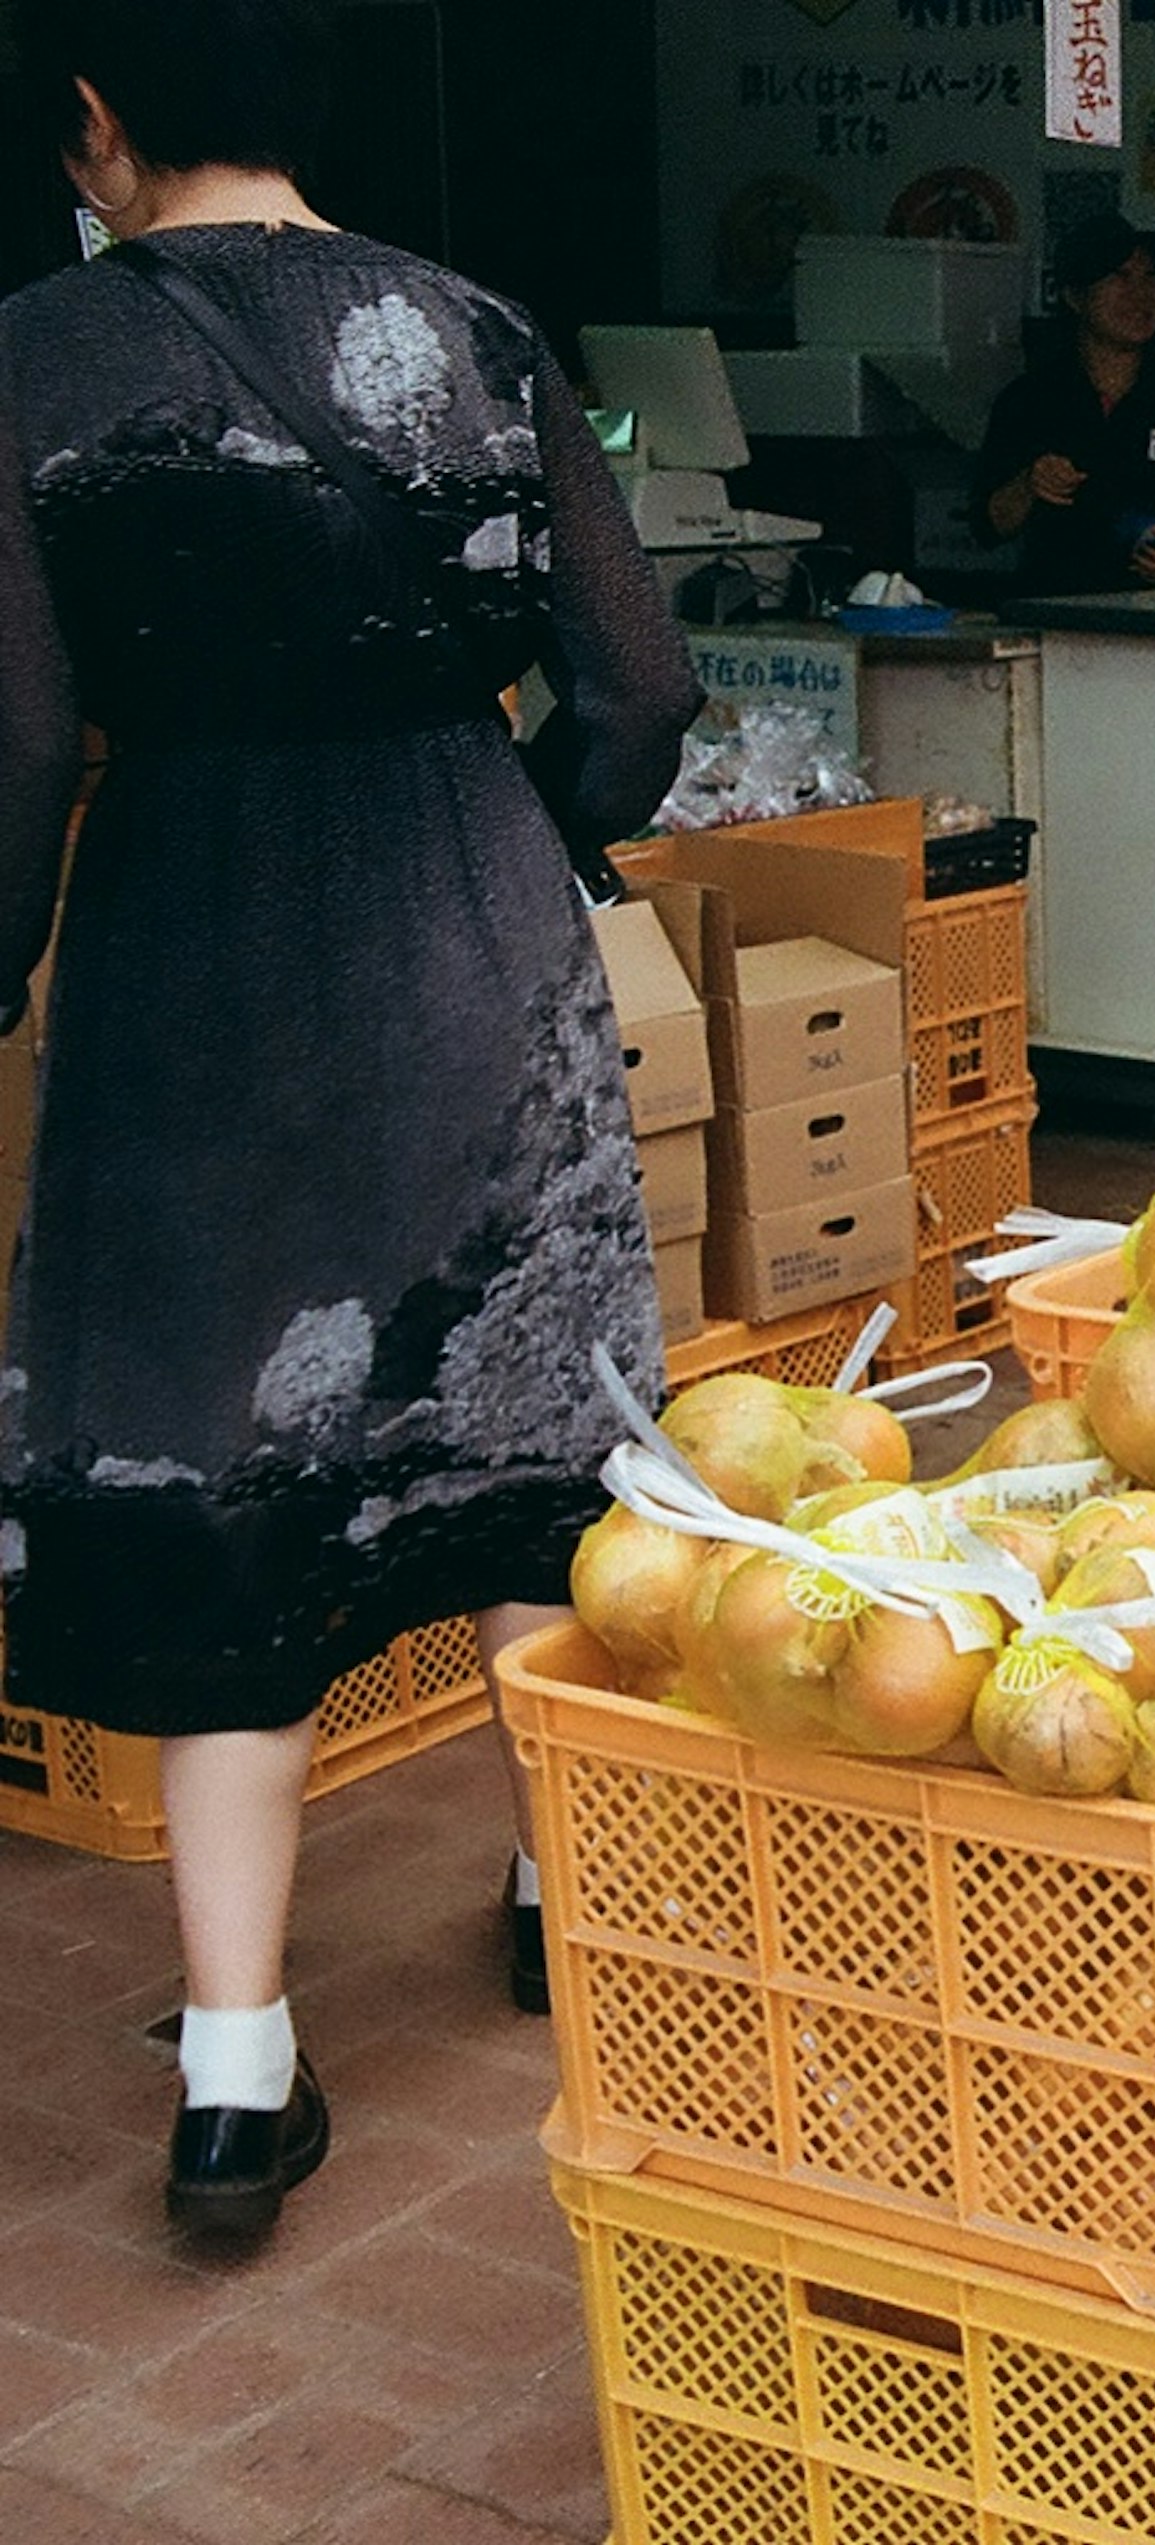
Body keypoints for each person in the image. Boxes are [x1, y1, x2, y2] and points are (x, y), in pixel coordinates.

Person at [0, 0, 701, 2237]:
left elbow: (16, 747)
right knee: (527, 1444)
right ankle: (555, 1909)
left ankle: (231, 2071)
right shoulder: (477, 330)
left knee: (221, 1468)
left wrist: (0, 961)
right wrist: (551, 822)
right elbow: (642, 685)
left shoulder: (34, 357)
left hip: (191, 950)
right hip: (469, 925)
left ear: (101, 122)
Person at [976, 214, 1155, 595]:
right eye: (1120, 278)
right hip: (1062, 612)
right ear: (1075, 296)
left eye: (1152, 277)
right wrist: (1030, 483)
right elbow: (988, 525)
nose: (1140, 295)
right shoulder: (1031, 398)